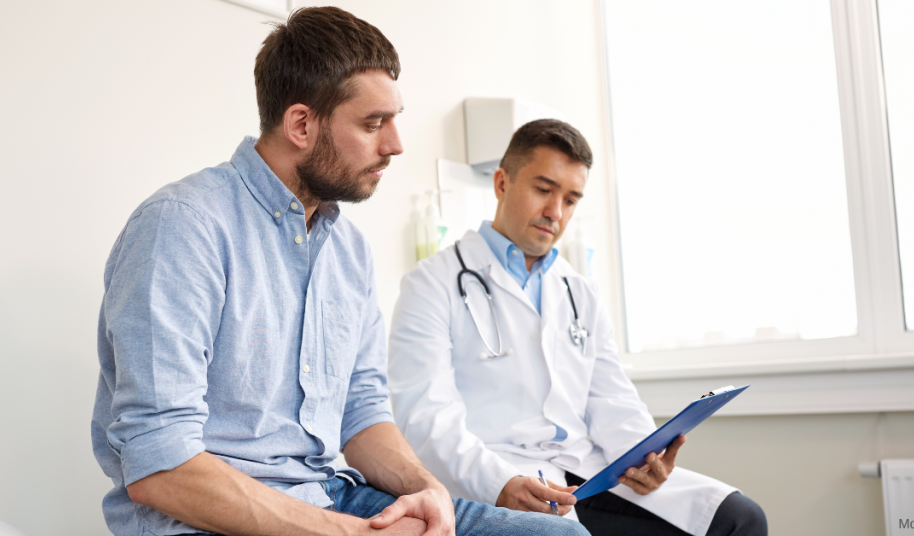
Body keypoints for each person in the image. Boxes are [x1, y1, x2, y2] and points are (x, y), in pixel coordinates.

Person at [90, 8, 589, 536]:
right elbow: (159, 465)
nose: (396, 144)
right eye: (374, 123)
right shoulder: (183, 227)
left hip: (333, 496)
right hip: (214, 518)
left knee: (559, 535)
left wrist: (426, 489)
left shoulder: (348, 249)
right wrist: (349, 534)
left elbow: (361, 411)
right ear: (301, 124)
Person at [387, 119, 768, 536]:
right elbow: (425, 418)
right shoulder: (431, 283)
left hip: (587, 472)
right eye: (543, 189)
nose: (556, 212)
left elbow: (611, 398)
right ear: (501, 182)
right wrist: (500, 484)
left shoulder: (578, 291)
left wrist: (647, 458)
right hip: (498, 475)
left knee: (740, 519)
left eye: (570, 199)